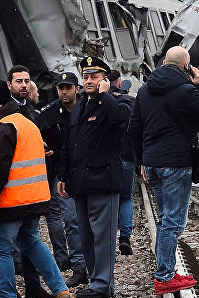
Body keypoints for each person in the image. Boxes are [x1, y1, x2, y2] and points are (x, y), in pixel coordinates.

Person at [129, 46, 199, 295]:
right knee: (172, 222)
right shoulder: (187, 90)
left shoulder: (145, 90)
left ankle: (167, 269)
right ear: (186, 66)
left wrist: (142, 162)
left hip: (153, 163)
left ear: (163, 63)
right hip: (176, 163)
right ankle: (165, 276)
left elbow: (134, 129)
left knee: (164, 219)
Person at [0, 80, 70, 298]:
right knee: (31, 242)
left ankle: (6, 295)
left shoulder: (3, 128)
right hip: (34, 199)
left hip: (10, 202)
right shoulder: (27, 122)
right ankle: (60, 289)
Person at [57, 56, 130, 298]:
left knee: (103, 237)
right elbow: (70, 144)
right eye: (86, 77)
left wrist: (105, 95)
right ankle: (95, 280)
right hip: (80, 182)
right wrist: (63, 175)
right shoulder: (78, 107)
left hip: (103, 180)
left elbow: (120, 120)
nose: (89, 81)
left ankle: (103, 286)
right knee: (86, 236)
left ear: (105, 80)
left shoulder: (116, 102)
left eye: (94, 77)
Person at [38, 72, 88, 287]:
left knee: (89, 219)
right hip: (62, 172)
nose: (64, 92)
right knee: (71, 219)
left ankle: (91, 263)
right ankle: (78, 265)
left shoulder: (87, 108)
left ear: (77, 89)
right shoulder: (49, 114)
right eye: (61, 88)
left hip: (87, 171)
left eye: (68, 87)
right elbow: (37, 135)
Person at [106, 71, 135, 257]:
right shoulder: (129, 102)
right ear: (119, 83)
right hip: (127, 157)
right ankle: (125, 237)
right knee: (126, 198)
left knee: (108, 199)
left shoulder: (98, 103)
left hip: (107, 158)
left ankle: (107, 239)